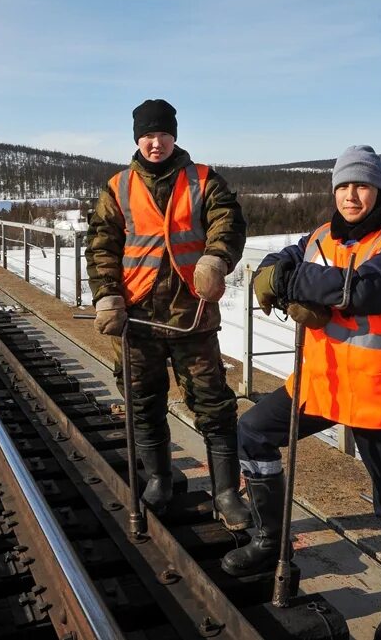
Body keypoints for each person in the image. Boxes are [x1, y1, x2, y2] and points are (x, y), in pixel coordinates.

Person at [221, 145, 381, 640]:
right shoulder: (321, 236)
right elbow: (277, 263)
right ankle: (269, 540)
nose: (350, 195)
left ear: (380, 188)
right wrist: (275, 272)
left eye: (360, 185)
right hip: (323, 384)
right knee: (252, 431)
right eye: (342, 186)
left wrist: (293, 281)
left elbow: (362, 290)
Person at [85, 99, 251, 531]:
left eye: (161, 134)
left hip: (191, 316)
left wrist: (216, 260)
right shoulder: (118, 187)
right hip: (136, 317)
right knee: (142, 401)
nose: (154, 143)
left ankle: (227, 492)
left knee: (213, 404)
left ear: (174, 136)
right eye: (146, 135)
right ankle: (158, 478)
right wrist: (106, 295)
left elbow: (227, 223)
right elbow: (101, 244)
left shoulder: (204, 181)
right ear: (137, 138)